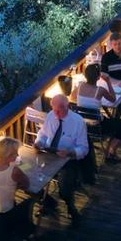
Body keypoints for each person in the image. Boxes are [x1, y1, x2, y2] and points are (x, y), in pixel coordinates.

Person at [34, 94, 89, 225]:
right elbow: (43, 134)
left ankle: (71, 208)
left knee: (64, 189)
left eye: (59, 111)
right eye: (54, 110)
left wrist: (70, 153)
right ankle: (48, 202)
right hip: (48, 154)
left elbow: (84, 149)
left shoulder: (78, 122)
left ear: (67, 107)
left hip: (67, 159)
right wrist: (38, 143)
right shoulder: (51, 115)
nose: (56, 114)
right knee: (29, 177)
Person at [71, 64, 121, 164]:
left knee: (111, 121)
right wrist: (108, 82)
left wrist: (85, 102)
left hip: (83, 126)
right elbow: (113, 99)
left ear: (85, 75)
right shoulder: (100, 90)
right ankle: (111, 152)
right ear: (98, 77)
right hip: (98, 128)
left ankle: (109, 151)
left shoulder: (80, 86)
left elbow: (72, 97)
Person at [0, 137, 31, 223]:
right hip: (6, 210)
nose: (17, 155)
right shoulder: (15, 171)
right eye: (15, 153)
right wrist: (23, 166)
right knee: (30, 200)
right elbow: (26, 185)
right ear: (8, 155)